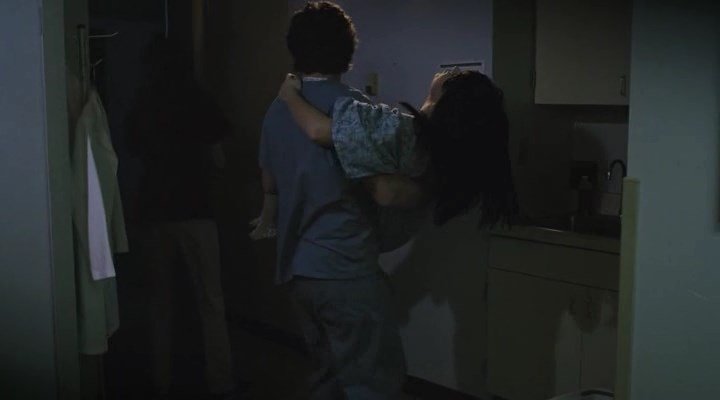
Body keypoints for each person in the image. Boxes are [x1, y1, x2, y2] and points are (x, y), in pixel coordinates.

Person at [255, 2, 408, 398]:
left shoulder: (278, 110)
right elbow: (386, 189)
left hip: (300, 272)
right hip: (346, 269)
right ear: (347, 50)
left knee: (325, 377)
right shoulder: (358, 109)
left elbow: (270, 182)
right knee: (370, 382)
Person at [267, 68, 517, 233]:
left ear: (447, 100)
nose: (449, 71)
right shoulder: (443, 153)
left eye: (454, 74)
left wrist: (289, 95)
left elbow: (317, 130)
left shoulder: (399, 129)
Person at [126, 38, 236, 400]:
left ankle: (160, 380)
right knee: (211, 300)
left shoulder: (144, 102)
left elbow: (132, 150)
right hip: (195, 208)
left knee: (158, 300)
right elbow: (219, 158)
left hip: (155, 209)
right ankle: (221, 382)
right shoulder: (198, 99)